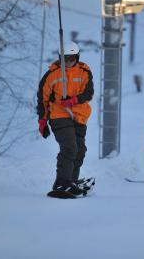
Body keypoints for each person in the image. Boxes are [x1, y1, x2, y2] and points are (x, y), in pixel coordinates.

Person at [37, 42, 94, 198]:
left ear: (77, 57)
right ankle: (61, 182)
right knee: (69, 147)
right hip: (59, 116)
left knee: (80, 151)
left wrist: (73, 100)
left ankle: (71, 182)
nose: (68, 62)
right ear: (60, 58)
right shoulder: (52, 75)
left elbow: (89, 93)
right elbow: (42, 98)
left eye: (71, 59)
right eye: (65, 59)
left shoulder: (85, 72)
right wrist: (42, 120)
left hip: (79, 117)